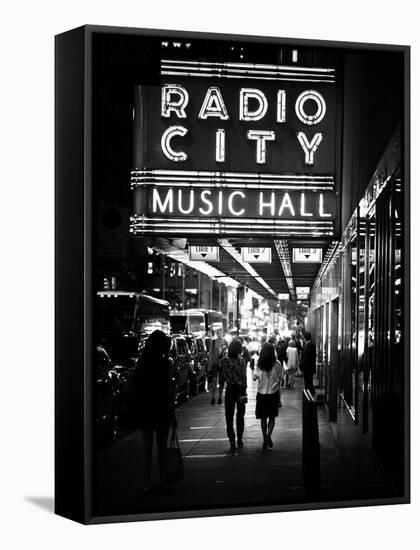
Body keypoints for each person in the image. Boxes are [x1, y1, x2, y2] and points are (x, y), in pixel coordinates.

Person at [126, 330, 174, 495]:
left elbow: (135, 385)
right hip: (162, 409)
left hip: (146, 408)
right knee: (162, 447)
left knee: (147, 448)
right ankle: (162, 480)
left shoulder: (142, 362)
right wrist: (172, 412)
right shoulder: (165, 364)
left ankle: (146, 482)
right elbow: (169, 390)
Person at [253, 343, 283, 450]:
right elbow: (281, 377)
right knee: (272, 417)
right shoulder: (277, 364)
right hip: (273, 394)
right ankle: (268, 437)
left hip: (261, 394)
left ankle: (265, 438)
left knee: (263, 418)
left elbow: (254, 377)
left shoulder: (259, 364)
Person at [220, 339, 247, 450]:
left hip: (230, 389)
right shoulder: (241, 361)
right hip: (240, 389)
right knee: (240, 416)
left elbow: (222, 377)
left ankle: (231, 439)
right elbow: (244, 377)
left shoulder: (224, 361)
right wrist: (245, 390)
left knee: (229, 416)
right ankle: (239, 439)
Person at [209, 329, 228, 405]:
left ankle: (220, 397)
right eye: (218, 333)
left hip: (223, 364)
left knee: (221, 381)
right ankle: (213, 397)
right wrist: (211, 362)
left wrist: (225, 354)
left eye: (221, 333)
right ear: (217, 334)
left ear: (223, 334)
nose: (220, 334)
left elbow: (229, 352)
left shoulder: (225, 342)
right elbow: (210, 353)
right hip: (215, 363)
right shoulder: (213, 342)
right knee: (214, 380)